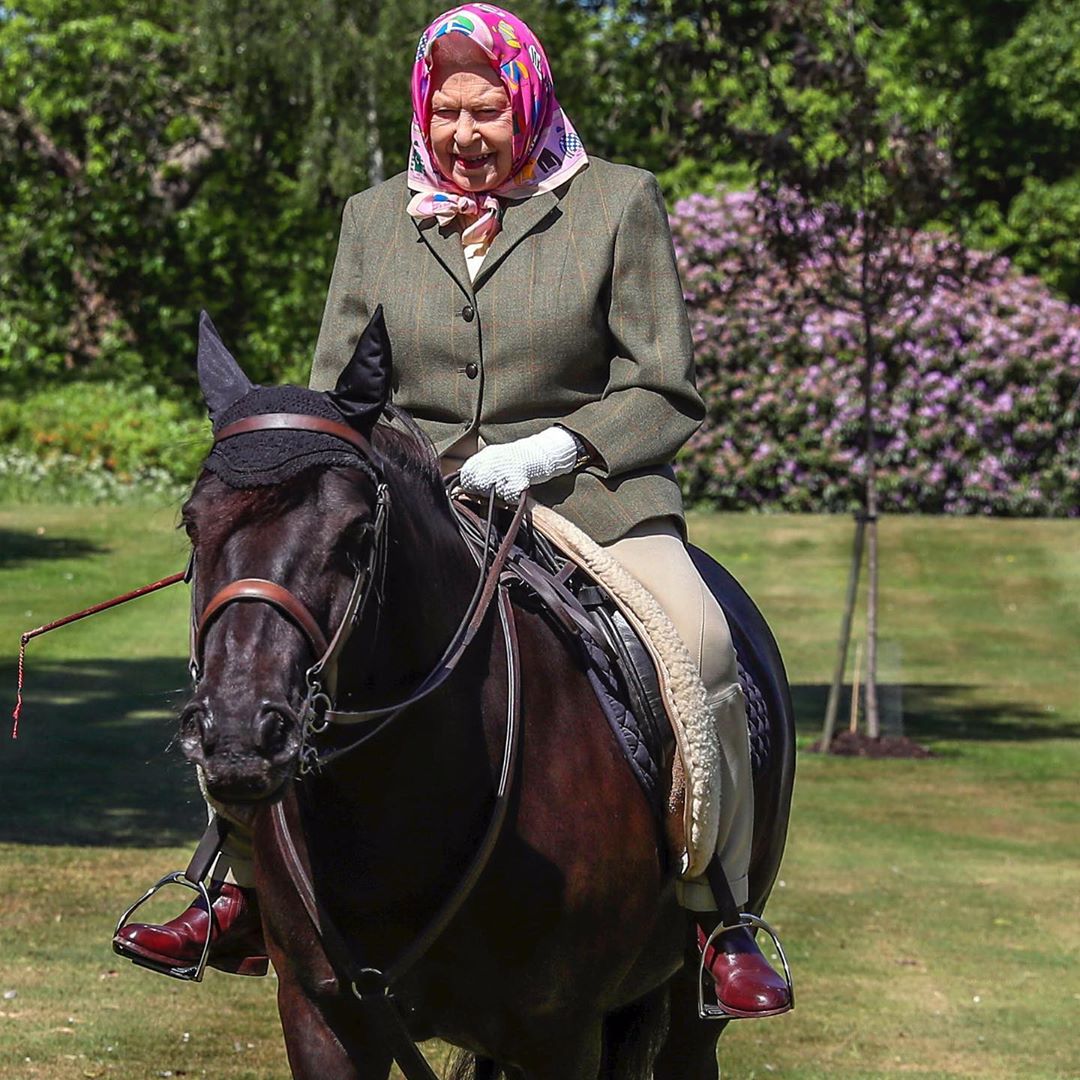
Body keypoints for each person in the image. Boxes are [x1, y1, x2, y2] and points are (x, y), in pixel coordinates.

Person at [116, 3, 791, 1019]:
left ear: (527, 100)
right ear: (423, 111)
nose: (467, 135)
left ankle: (717, 913)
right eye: (448, 113)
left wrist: (553, 449)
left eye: (488, 111)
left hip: (587, 495)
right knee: (265, 640)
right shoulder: (374, 216)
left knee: (699, 643)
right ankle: (241, 887)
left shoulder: (615, 203)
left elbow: (664, 386)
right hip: (411, 497)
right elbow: (339, 390)